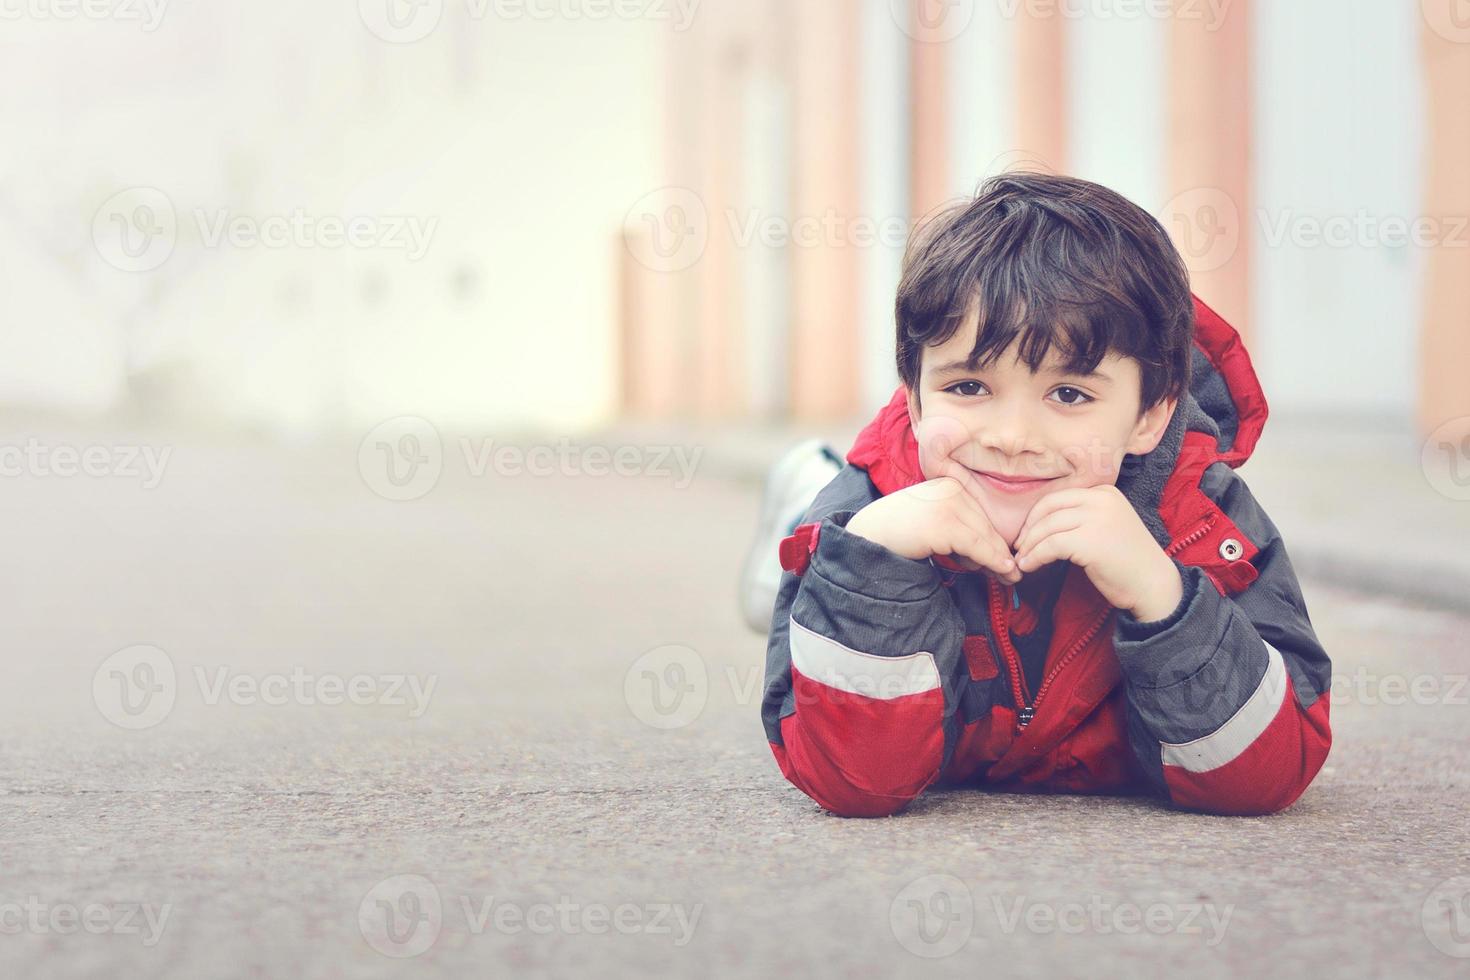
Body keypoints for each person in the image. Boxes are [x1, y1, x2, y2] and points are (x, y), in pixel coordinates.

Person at [742, 172, 1332, 818]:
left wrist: (1163, 596)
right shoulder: (863, 518)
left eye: (1070, 394)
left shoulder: (1203, 520)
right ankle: (798, 508)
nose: (1013, 437)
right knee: (822, 549)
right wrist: (871, 574)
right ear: (912, 398)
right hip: (854, 534)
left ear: (1149, 417)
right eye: (968, 387)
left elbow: (1263, 779)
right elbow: (856, 782)